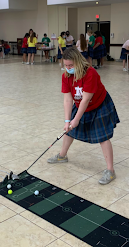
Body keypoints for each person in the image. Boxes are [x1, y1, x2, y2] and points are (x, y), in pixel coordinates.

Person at [47, 47, 119, 185]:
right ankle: (62, 156)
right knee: (68, 131)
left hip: (99, 104)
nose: (68, 68)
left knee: (103, 137)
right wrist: (68, 121)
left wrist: (76, 119)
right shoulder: (66, 76)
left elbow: (86, 99)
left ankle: (110, 171)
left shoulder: (90, 73)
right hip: (80, 105)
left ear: (78, 62)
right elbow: (68, 100)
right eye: (66, 65)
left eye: (71, 65)